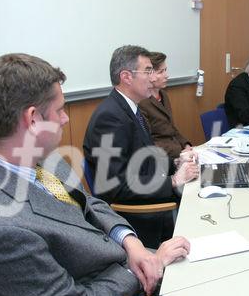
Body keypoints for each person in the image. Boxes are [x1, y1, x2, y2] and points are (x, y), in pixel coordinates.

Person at [0, 53, 190, 296]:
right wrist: (142, 267)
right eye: (60, 110)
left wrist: (131, 243)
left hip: (124, 259)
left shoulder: (32, 153)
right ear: (33, 119)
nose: (65, 119)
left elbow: (89, 203)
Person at [84, 45, 199, 249]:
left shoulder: (130, 108)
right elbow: (114, 186)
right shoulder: (110, 118)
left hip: (148, 195)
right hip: (138, 215)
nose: (153, 77)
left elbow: (143, 160)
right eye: (148, 71)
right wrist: (172, 181)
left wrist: (175, 163)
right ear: (127, 77)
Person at [138, 52, 192, 159]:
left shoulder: (163, 95)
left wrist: (186, 145)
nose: (166, 76)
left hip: (176, 152)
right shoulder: (141, 102)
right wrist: (180, 152)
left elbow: (171, 128)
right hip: (162, 159)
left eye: (165, 70)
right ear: (149, 75)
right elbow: (149, 142)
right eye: (161, 72)